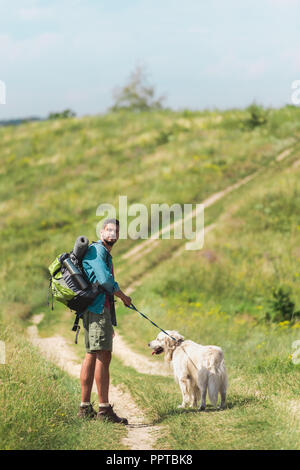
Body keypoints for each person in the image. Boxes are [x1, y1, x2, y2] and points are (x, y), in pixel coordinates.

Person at [77, 218, 131, 424]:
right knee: (102, 355)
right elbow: (106, 281)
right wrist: (124, 297)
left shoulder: (101, 252)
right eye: (109, 230)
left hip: (96, 309)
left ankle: (84, 408)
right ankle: (104, 409)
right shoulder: (98, 251)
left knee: (92, 354)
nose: (112, 234)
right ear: (101, 233)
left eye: (116, 231)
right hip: (97, 309)